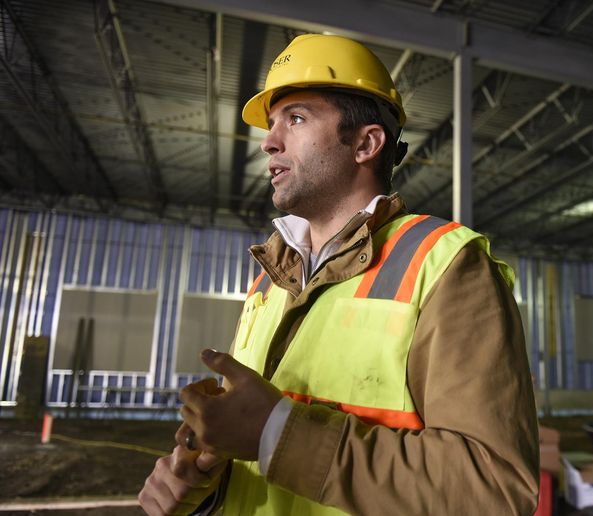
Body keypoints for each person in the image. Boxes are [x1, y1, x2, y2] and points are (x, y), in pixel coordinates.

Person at [139, 33, 539, 515]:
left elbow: (492, 489)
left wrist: (276, 433)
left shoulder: (445, 265)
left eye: (296, 118)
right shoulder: (271, 279)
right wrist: (201, 484)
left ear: (366, 143)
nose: (268, 142)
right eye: (272, 124)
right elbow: (251, 455)